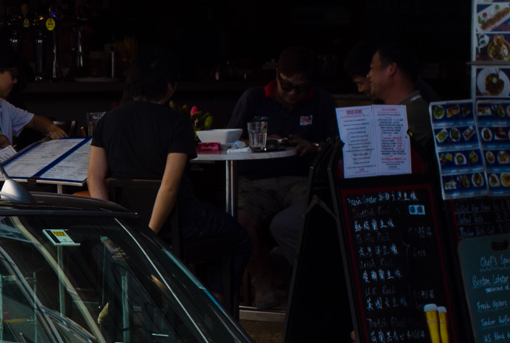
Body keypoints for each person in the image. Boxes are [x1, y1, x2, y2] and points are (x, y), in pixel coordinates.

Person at [86, 51, 249, 299]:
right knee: (240, 238)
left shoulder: (109, 120)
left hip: (128, 220)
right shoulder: (177, 123)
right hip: (178, 221)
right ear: (170, 87)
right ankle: (213, 303)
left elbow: (94, 178)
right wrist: (149, 236)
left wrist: (112, 226)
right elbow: (169, 187)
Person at [224, 48, 334, 305]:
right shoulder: (253, 98)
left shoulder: (322, 101)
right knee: (238, 220)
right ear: (276, 76)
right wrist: (259, 141)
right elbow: (229, 139)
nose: (293, 93)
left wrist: (313, 146)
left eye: (301, 89)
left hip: (299, 177)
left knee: (319, 211)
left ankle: (310, 283)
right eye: (287, 86)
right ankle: (261, 282)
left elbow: (337, 143)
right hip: (254, 181)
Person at [366, 39, 432, 173]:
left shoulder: (415, 112)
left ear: (391, 69)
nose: (368, 75)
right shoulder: (402, 110)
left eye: (372, 69)